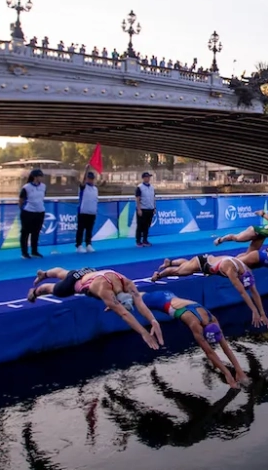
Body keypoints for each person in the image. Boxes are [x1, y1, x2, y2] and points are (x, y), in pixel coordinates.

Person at [28, 267, 162, 350]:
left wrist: (153, 320)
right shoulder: (105, 290)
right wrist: (143, 333)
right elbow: (124, 314)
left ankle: (44, 274)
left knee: (64, 272)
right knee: (53, 289)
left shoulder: (126, 282)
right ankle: (34, 292)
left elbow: (140, 303)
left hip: (90, 271)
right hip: (77, 284)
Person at [147, 291, 249, 388]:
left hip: (169, 295)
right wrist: (228, 375)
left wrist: (239, 370)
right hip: (160, 301)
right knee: (135, 299)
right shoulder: (195, 325)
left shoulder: (213, 320)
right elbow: (209, 353)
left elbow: (226, 348)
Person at [152, 253, 268, 328]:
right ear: (240, 277)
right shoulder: (230, 271)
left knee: (187, 265)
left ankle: (170, 262)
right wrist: (254, 311)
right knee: (179, 271)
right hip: (203, 263)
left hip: (211, 261)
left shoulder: (247, 271)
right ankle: (159, 274)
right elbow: (242, 292)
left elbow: (254, 292)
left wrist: (262, 313)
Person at [18, 168, 46, 259]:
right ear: (35, 177)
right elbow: (21, 200)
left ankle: (34, 251)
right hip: (28, 212)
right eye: (40, 176)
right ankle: (24, 252)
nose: (41, 178)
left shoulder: (43, 186)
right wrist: (23, 209)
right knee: (25, 233)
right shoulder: (26, 187)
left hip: (40, 212)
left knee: (36, 232)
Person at [76, 166, 99, 253]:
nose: (91, 180)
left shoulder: (95, 189)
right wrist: (86, 170)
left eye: (92, 179)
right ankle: (79, 245)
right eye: (89, 179)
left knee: (89, 230)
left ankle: (88, 244)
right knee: (81, 229)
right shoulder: (83, 187)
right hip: (83, 212)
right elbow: (82, 182)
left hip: (92, 212)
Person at [135, 171, 156, 247]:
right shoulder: (140, 187)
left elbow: (153, 198)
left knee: (147, 226)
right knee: (140, 226)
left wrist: (154, 208)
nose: (148, 178)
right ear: (143, 178)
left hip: (150, 209)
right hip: (143, 209)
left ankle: (145, 240)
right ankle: (138, 241)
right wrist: (139, 209)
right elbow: (137, 199)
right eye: (147, 177)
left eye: (149, 177)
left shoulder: (152, 187)